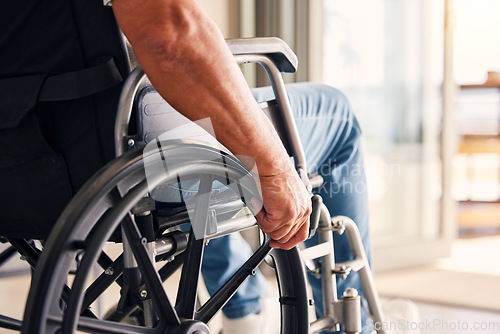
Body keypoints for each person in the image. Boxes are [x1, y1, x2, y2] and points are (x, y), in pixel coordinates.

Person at [0, 0, 371, 333]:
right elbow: (170, 38)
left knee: (189, 135)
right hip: (107, 163)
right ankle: (350, 327)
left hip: (17, 171)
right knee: (335, 114)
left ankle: (245, 306)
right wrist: (274, 168)